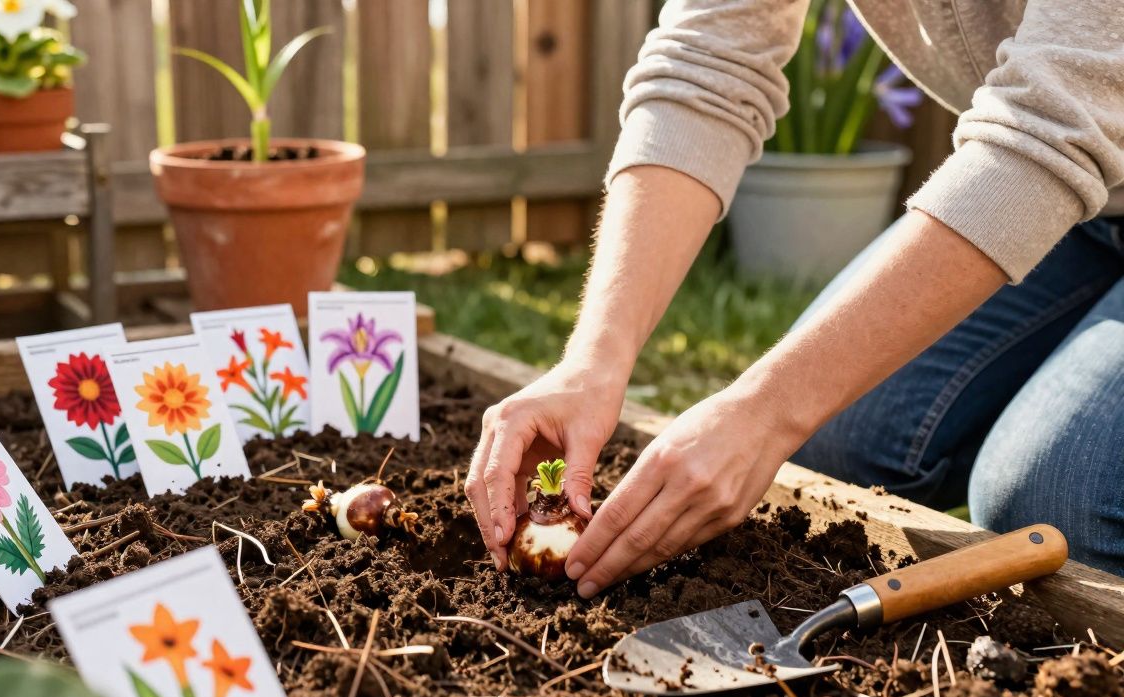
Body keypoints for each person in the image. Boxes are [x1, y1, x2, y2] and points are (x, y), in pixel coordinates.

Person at [465, 0, 1124, 595]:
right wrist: (593, 360)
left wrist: (768, 409)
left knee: (1054, 502)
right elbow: (708, 57)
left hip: (1062, 152)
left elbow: (1054, 123)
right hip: (1079, 188)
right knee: (834, 447)